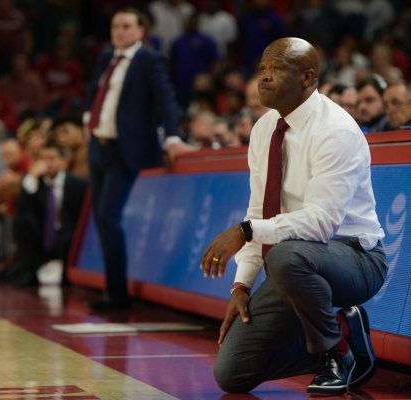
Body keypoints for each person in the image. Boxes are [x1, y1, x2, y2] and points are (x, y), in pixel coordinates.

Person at [200, 37, 387, 396]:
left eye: (278, 69)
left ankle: (336, 352)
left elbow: (320, 223)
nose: (265, 78)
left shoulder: (336, 130)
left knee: (286, 256)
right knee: (232, 373)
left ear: (307, 77)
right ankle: (344, 334)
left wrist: (246, 231)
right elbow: (259, 211)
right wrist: (242, 285)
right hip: (297, 263)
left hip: (355, 258)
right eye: (262, 70)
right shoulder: (263, 129)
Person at [84, 7, 191, 310]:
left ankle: (117, 295)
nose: (119, 31)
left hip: (124, 150)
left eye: (127, 26)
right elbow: (95, 90)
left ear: (141, 31)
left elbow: (166, 99)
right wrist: (86, 118)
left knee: (108, 216)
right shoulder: (107, 57)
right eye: (116, 25)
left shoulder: (150, 60)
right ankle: (112, 289)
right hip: (98, 145)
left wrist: (172, 136)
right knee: (102, 219)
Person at [4, 140, 87, 286]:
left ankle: (67, 276)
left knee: (70, 236)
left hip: (66, 237)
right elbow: (21, 207)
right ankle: (28, 272)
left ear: (63, 161)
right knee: (23, 220)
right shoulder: (35, 182)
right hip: (42, 238)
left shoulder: (78, 184)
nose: (47, 163)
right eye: (43, 158)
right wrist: (31, 177)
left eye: (52, 158)